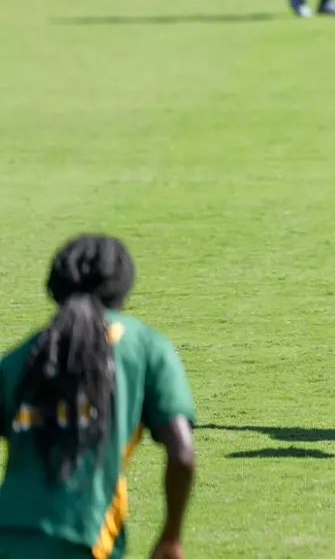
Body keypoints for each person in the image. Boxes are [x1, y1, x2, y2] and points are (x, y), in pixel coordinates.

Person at [0, 236, 196, 559]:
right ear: (124, 286)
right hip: (85, 538)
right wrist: (170, 535)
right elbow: (182, 453)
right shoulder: (144, 346)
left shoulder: (21, 356)